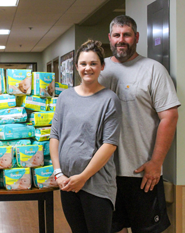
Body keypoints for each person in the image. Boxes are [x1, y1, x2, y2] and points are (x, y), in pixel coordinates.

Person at [99, 15, 181, 233]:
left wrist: (156, 162)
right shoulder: (98, 69)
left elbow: (170, 117)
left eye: (126, 35)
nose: (121, 40)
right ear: (110, 38)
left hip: (142, 173)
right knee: (111, 228)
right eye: (116, 35)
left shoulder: (153, 69)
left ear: (136, 37)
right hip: (104, 172)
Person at [50, 39, 121, 233]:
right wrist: (58, 173)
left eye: (93, 63)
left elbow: (110, 144)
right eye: (83, 63)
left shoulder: (109, 100)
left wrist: (83, 177)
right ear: (76, 67)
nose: (87, 68)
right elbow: (55, 136)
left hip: (96, 185)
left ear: (102, 66)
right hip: (67, 183)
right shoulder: (65, 97)